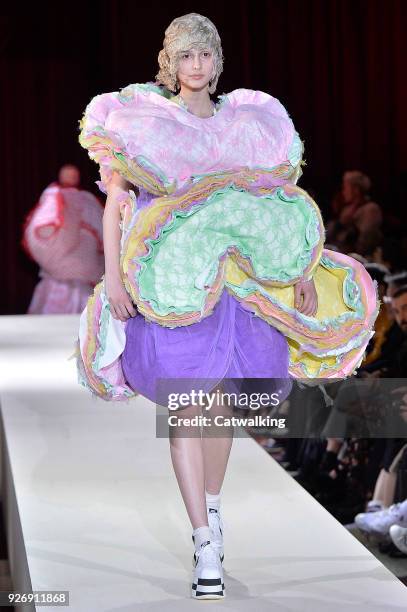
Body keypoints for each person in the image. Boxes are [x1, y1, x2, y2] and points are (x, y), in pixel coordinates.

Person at [75, 13, 378, 600]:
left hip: (239, 290)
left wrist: (301, 271)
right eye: (186, 56)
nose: (197, 67)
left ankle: (211, 508)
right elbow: (116, 204)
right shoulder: (145, 124)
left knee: (226, 411)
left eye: (206, 55)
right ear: (170, 62)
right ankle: (202, 541)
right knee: (189, 409)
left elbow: (277, 204)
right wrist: (114, 276)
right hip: (171, 286)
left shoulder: (252, 124)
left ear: (217, 61)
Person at [22, 164, 104, 314]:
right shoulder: (53, 193)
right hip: (61, 244)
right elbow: (44, 217)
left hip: (83, 250)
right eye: (69, 174)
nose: (72, 177)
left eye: (74, 174)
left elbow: (98, 221)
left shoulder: (87, 198)